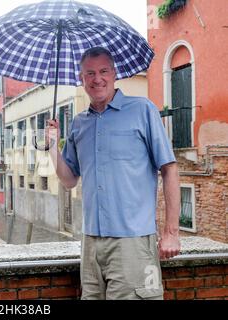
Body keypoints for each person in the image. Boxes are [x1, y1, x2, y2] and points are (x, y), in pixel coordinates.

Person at [46, 47, 181, 300]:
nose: (97, 79)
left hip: (133, 243)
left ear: (114, 73)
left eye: (103, 71)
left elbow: (169, 168)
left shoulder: (143, 110)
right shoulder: (78, 123)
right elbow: (69, 180)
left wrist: (171, 233)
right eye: (90, 73)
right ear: (82, 79)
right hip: (90, 244)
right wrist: (53, 147)